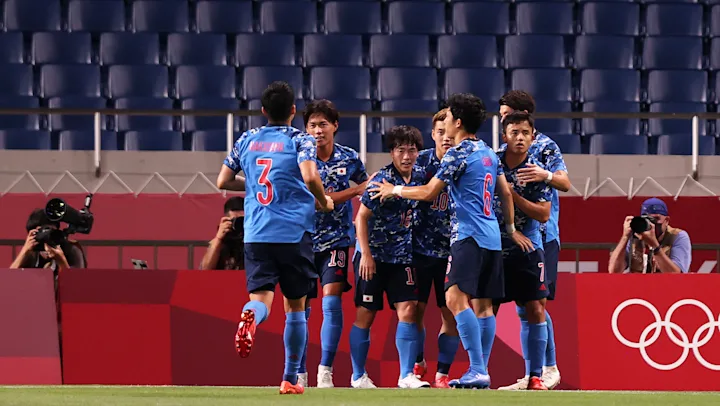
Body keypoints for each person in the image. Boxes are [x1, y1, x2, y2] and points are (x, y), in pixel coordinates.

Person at [369, 93, 522, 389]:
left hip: (468, 236)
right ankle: (482, 369)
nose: (446, 122)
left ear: (459, 122)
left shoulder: (457, 153)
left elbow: (429, 192)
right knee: (484, 306)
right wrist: (511, 228)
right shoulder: (488, 152)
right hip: (492, 237)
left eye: (449, 117)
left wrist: (394, 190)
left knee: (453, 298)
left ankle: (477, 368)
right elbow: (504, 192)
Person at [216, 81, 334, 395]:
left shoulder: (247, 139)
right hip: (293, 233)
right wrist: (323, 200)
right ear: (293, 111)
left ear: (264, 110)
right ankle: (290, 378)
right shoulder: (300, 139)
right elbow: (309, 176)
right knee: (295, 307)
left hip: (256, 234)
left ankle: (251, 316)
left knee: (260, 300)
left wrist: (254, 183)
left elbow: (222, 181)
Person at [496, 90, 570, 390]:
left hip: (543, 233)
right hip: (508, 236)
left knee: (536, 301)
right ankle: (532, 372)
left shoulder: (545, 146)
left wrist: (545, 175)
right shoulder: (501, 152)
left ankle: (548, 368)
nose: (503, 120)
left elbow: (565, 182)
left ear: (525, 116)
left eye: (507, 114)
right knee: (522, 306)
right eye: (503, 118)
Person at [350, 125, 430, 389]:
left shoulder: (421, 175)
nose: (407, 156)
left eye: (412, 150)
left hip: (402, 258)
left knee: (408, 310)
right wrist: (366, 255)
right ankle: (358, 376)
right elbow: (360, 218)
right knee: (366, 314)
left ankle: (406, 375)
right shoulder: (381, 180)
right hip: (373, 258)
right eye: (401, 150)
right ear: (392, 152)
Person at [301, 99, 369, 388]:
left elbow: (368, 189)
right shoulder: (300, 159)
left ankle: (325, 370)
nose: (318, 131)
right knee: (300, 308)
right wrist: (352, 192)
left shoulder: (349, 158)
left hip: (336, 241)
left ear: (335, 126)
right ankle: (298, 371)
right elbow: (318, 202)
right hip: (302, 239)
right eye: (312, 125)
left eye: (323, 124)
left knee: (331, 301)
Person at [493, 111, 553, 391]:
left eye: (525, 133)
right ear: (504, 136)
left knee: (535, 308)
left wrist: (511, 195)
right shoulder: (490, 163)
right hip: (493, 247)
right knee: (486, 308)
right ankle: (479, 372)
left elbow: (543, 214)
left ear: (532, 137)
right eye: (514, 132)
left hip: (529, 247)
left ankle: (535, 376)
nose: (520, 138)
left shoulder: (535, 170)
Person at [410, 108, 460, 389]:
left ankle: (442, 373)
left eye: (449, 132)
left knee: (450, 312)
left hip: (452, 252)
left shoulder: (463, 163)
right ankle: (418, 361)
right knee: (415, 310)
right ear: (433, 134)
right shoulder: (421, 163)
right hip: (418, 250)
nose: (446, 138)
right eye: (440, 132)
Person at [608, 197, 691, 274]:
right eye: (647, 219)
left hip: (666, 284)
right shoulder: (636, 235)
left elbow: (676, 275)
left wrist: (655, 246)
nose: (652, 224)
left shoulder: (677, 236)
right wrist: (625, 237)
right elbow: (614, 271)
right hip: (638, 284)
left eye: (656, 219)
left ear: (666, 221)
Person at [10, 208, 86, 274]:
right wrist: (24, 251)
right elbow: (8, 280)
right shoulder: (31, 255)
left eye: (51, 233)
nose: (47, 239)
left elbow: (75, 284)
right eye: (42, 233)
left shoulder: (70, 250)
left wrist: (61, 261)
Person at [199, 196, 246, 270]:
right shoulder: (221, 242)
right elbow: (205, 269)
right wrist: (218, 238)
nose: (241, 224)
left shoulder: (255, 238)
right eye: (237, 220)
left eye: (244, 220)